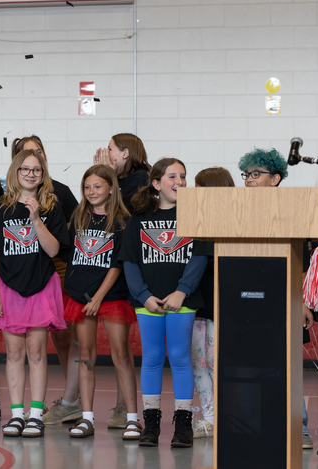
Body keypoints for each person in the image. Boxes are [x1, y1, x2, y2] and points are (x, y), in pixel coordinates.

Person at [0, 149, 70, 438]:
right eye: (25, 169)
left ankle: (35, 415)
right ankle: (17, 415)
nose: (30, 174)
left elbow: (53, 250)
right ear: (16, 172)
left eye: (36, 170)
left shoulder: (51, 206)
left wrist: (36, 218)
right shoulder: (0, 208)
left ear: (43, 174)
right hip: (8, 288)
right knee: (14, 353)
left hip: (40, 286)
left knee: (37, 352)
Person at [119, 158, 203, 448]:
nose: (180, 182)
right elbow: (130, 262)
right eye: (172, 176)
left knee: (180, 357)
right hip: (149, 302)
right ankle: (151, 422)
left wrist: (182, 291)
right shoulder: (138, 219)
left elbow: (199, 257)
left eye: (183, 176)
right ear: (156, 183)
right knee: (152, 358)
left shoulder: (193, 215)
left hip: (182, 301)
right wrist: (143, 295)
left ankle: (183, 424)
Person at [238, 147, 314, 448]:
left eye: (256, 174)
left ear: (275, 179)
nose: (249, 180)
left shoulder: (291, 211)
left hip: (284, 300)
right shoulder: (235, 211)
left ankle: (299, 427)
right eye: (246, 174)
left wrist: (302, 302)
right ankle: (252, 427)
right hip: (245, 301)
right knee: (249, 366)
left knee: (287, 366)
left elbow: (301, 263)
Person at [10, 136, 83, 427]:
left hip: (57, 269)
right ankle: (27, 409)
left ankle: (71, 399)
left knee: (64, 336)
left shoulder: (59, 192)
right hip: (21, 272)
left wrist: (49, 227)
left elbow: (76, 225)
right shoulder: (7, 200)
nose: (33, 159)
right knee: (24, 345)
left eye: (38, 153)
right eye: (26, 154)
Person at [62, 165, 139, 439]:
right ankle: (87, 418)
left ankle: (132, 418)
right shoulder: (79, 216)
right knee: (86, 355)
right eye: (87, 187)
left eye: (97, 186)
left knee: (120, 355)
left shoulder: (122, 221)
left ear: (110, 188)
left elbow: (117, 264)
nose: (91, 191)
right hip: (81, 297)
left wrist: (98, 298)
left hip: (111, 297)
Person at [188, 167, 235, 439]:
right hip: (197, 300)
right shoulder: (195, 220)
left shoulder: (234, 221)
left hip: (223, 301)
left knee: (217, 361)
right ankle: (209, 418)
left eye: (200, 188)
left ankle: (227, 416)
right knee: (198, 361)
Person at [94, 133, 150, 216]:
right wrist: (99, 174)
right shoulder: (117, 176)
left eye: (110, 149)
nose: (106, 154)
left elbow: (122, 208)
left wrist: (108, 174)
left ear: (125, 153)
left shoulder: (140, 176)